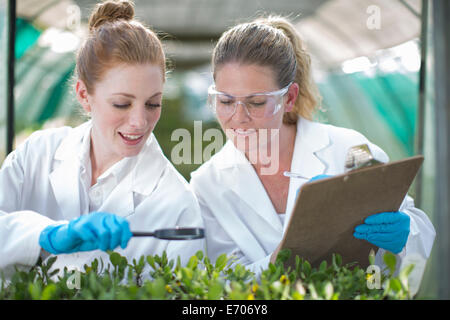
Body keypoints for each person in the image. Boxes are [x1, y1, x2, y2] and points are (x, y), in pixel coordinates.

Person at [189, 16, 435, 292]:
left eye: (256, 102)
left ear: (289, 98)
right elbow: (220, 284)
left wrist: (406, 236)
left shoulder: (351, 149)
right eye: (225, 101)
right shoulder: (206, 184)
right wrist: (283, 258)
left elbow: (415, 243)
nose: (238, 118)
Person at [0, 0, 204, 279]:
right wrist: (46, 236)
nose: (140, 122)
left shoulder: (177, 203)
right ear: (84, 95)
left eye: (153, 104)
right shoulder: (37, 154)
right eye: (122, 104)